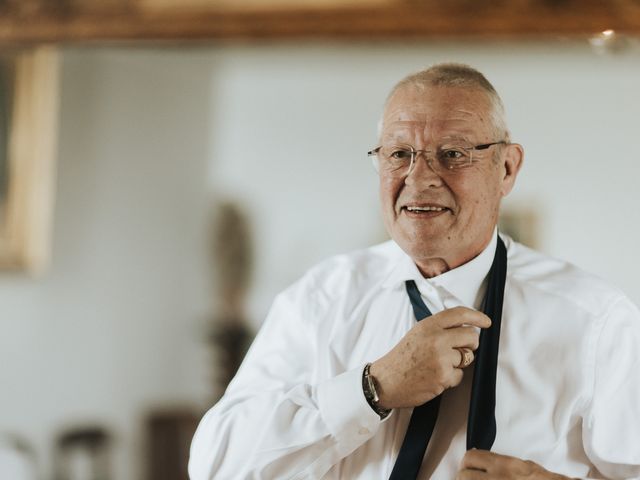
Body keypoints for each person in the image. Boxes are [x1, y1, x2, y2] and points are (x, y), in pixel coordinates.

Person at [188, 63, 640, 480]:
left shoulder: (596, 320)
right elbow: (217, 465)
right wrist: (372, 389)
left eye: (453, 154)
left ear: (507, 168)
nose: (419, 177)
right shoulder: (321, 298)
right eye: (399, 154)